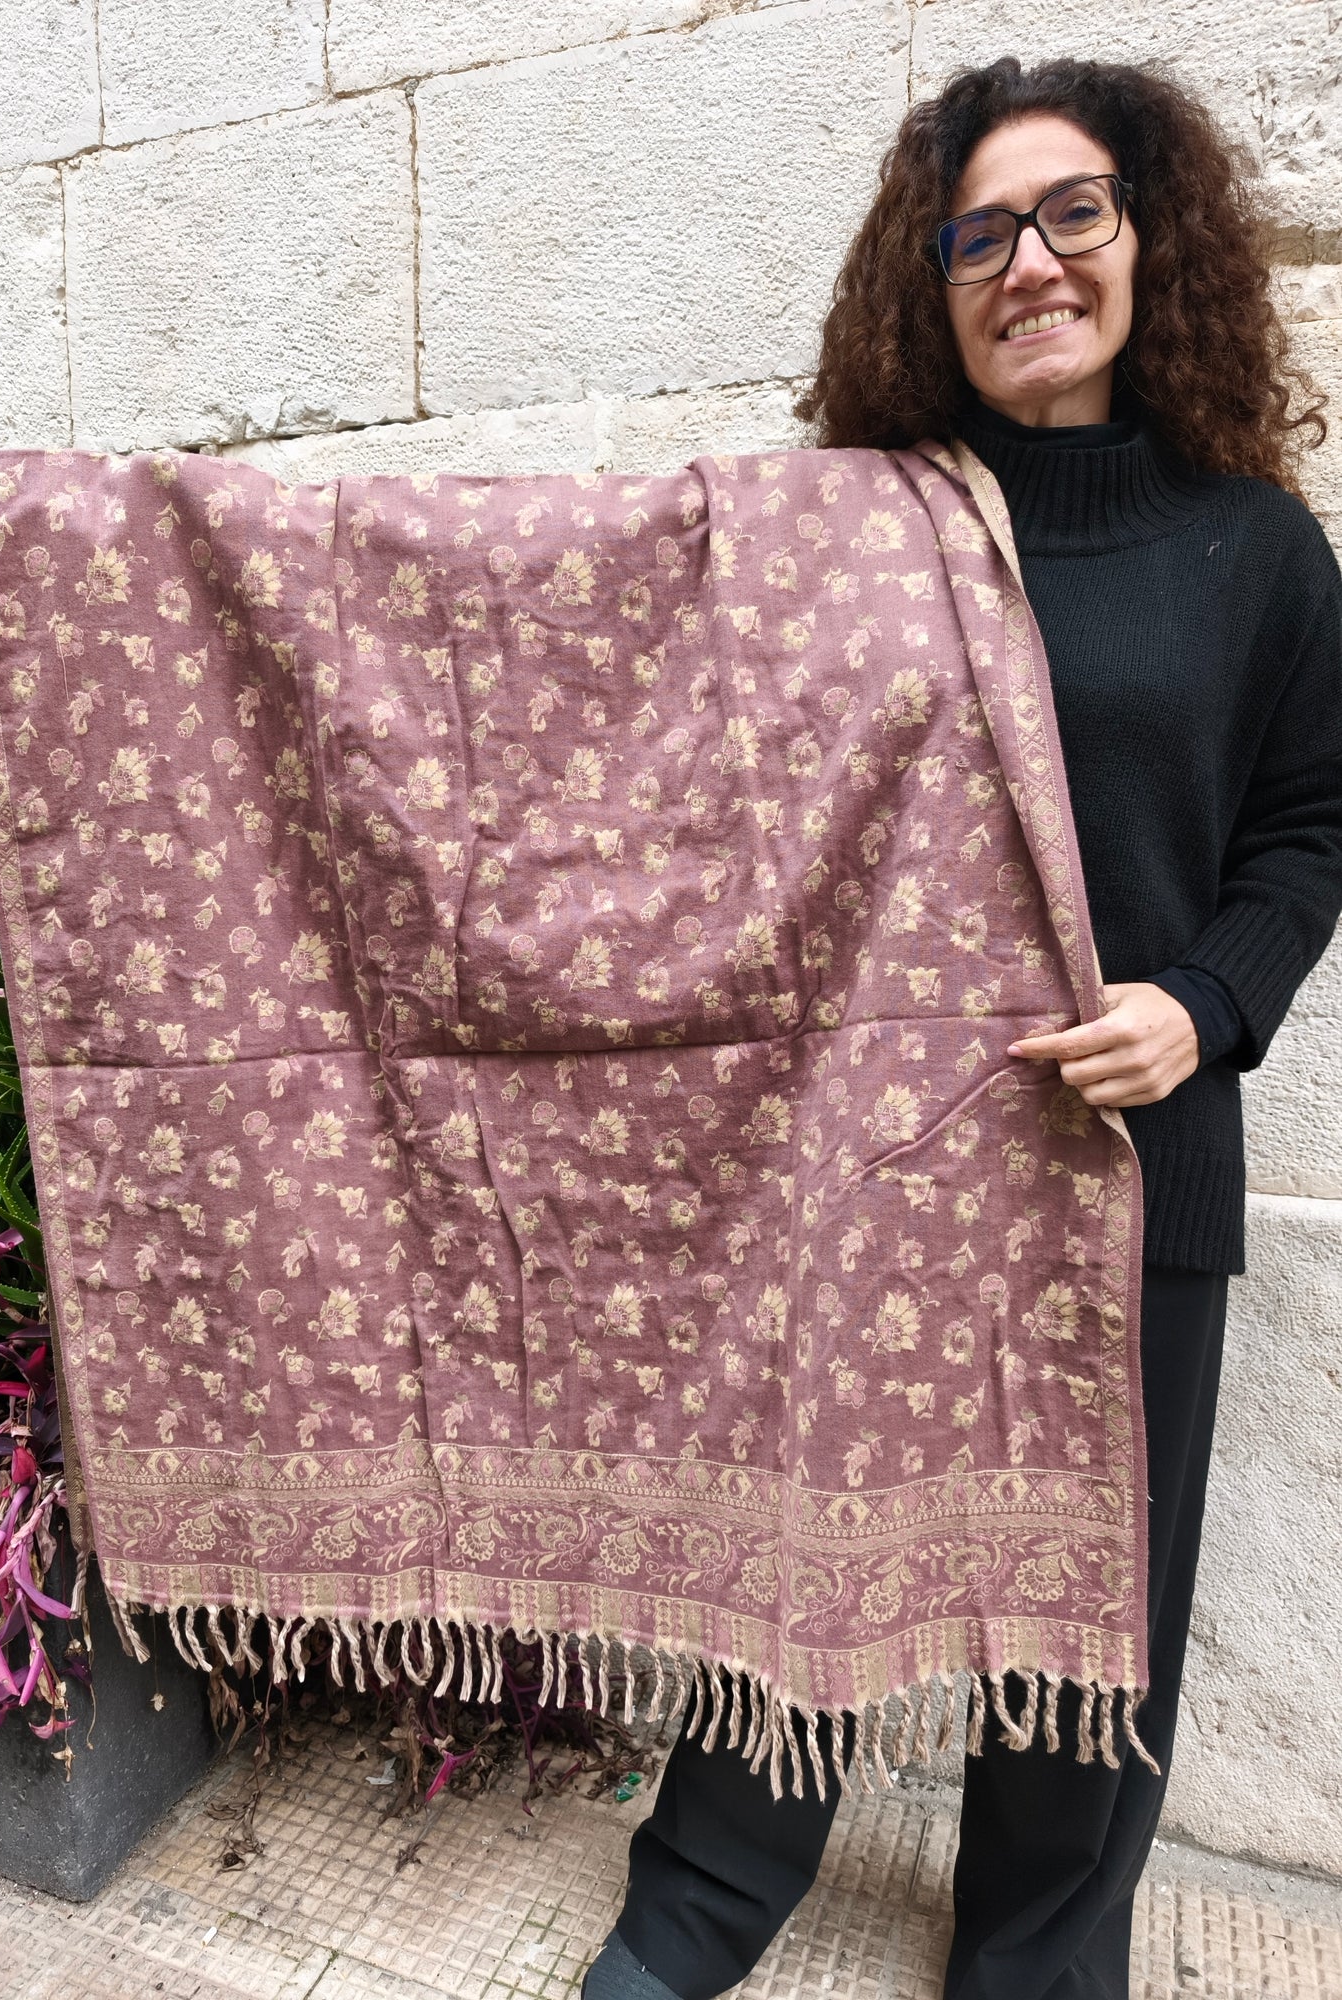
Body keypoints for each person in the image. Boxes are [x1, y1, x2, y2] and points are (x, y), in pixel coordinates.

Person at [582, 53, 1342, 2000]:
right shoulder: (851, 541)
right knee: (800, 1548)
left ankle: (1037, 1961)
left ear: (1147, 239)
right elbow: (640, 710)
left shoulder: (1259, 550)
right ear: (930, 282)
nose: (1030, 262)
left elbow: (1309, 829)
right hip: (871, 1163)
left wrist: (1204, 1008)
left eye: (1073, 212)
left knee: (1099, 1626)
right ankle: (698, 1910)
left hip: (1133, 1161)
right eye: (980, 232)